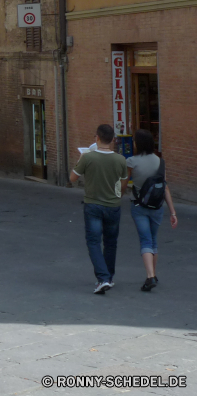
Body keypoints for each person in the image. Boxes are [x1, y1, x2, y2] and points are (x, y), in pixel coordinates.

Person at [69, 124, 129, 295]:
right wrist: (119, 195)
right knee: (111, 243)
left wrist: (81, 158)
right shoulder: (120, 160)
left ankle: (102, 278)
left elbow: (72, 178)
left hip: (93, 204)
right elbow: (124, 182)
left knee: (93, 241)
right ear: (113, 140)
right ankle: (108, 277)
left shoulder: (88, 158)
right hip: (113, 205)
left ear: (97, 137)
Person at [126, 129, 178, 291]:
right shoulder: (159, 162)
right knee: (153, 239)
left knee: (145, 240)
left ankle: (150, 277)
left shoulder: (131, 162)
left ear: (138, 143)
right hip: (157, 207)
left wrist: (118, 193)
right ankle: (153, 273)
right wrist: (173, 212)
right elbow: (165, 188)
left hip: (139, 206)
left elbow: (124, 181)